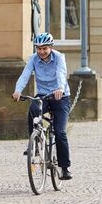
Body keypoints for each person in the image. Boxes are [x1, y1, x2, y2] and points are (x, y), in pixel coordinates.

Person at [12, 32, 73, 180]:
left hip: (60, 95)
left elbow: (61, 73)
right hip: (43, 96)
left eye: (44, 48)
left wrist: (60, 88)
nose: (41, 52)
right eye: (38, 48)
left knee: (60, 132)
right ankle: (33, 144)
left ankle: (65, 168)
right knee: (33, 109)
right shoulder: (33, 59)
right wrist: (18, 90)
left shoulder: (59, 58)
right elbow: (25, 75)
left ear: (51, 47)